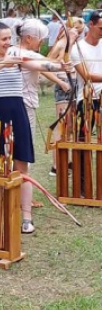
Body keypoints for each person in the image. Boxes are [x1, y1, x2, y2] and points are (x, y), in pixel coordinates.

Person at [0, 21, 72, 233]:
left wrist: (60, 66)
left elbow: (40, 65)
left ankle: (26, 217)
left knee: (22, 167)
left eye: (10, 39)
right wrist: (4, 63)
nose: (9, 43)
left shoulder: (18, 57)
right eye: (4, 39)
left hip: (18, 114)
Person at [13, 18, 72, 207]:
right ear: (29, 38)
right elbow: (50, 63)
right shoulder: (23, 53)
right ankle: (24, 197)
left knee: (15, 150)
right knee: (23, 151)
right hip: (22, 107)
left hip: (16, 106)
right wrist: (65, 41)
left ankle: (21, 193)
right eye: (41, 39)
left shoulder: (15, 51)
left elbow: (45, 64)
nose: (42, 43)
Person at [70, 11, 102, 195]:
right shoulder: (77, 49)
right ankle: (83, 186)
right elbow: (87, 76)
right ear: (91, 25)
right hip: (87, 100)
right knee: (83, 143)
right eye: (100, 27)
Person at [47, 17, 83, 176]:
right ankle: (55, 166)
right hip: (64, 85)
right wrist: (61, 83)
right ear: (69, 29)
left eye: (80, 32)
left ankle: (65, 161)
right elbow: (45, 67)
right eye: (77, 31)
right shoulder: (61, 44)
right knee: (61, 128)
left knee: (69, 129)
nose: (78, 34)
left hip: (76, 85)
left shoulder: (76, 45)